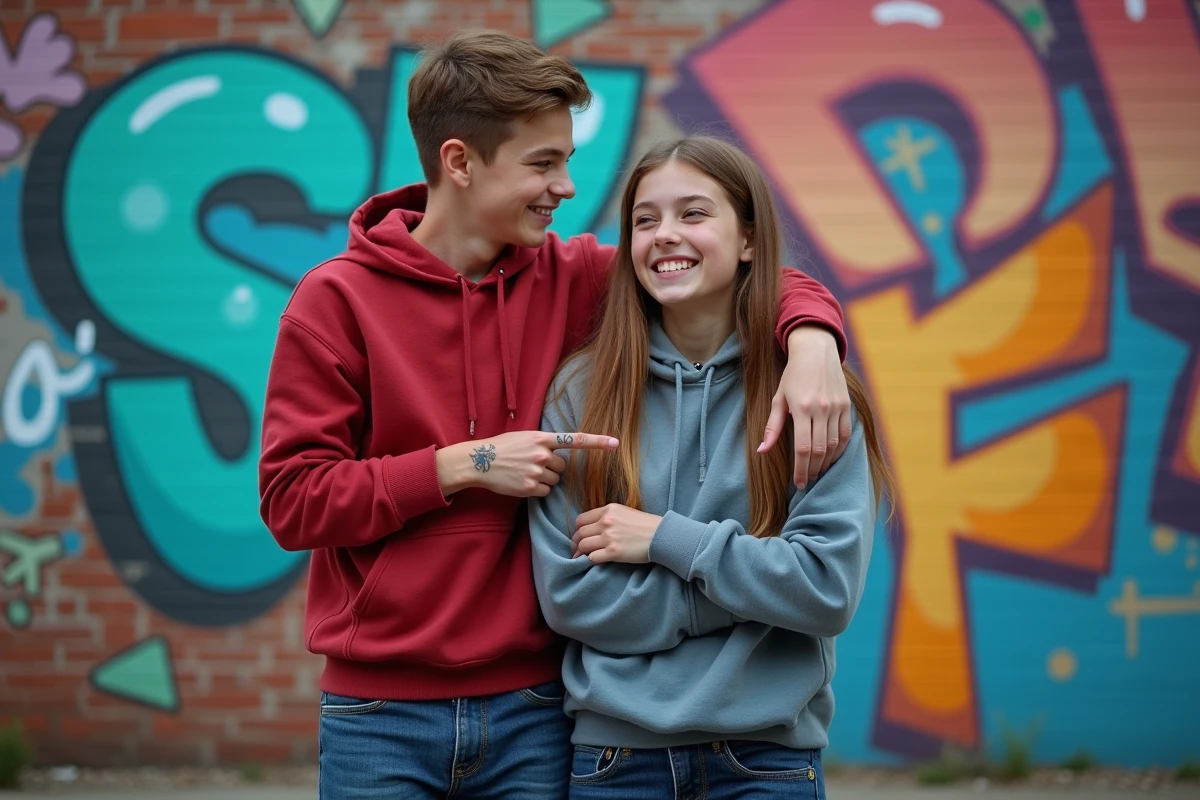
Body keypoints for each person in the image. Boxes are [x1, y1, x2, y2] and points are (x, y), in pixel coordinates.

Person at [258, 30, 853, 799]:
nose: (566, 186)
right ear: (459, 162)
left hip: (534, 710)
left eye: (565, 159)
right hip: (379, 711)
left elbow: (734, 267)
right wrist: (465, 465)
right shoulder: (334, 301)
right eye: (543, 163)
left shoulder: (574, 278)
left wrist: (812, 343)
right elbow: (292, 500)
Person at [529, 135, 895, 799]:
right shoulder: (579, 393)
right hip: (616, 760)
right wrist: (755, 593)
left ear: (749, 239)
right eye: (646, 220)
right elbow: (575, 599)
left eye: (694, 214)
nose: (666, 235)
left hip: (766, 761)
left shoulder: (810, 394)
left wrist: (664, 540)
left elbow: (824, 590)